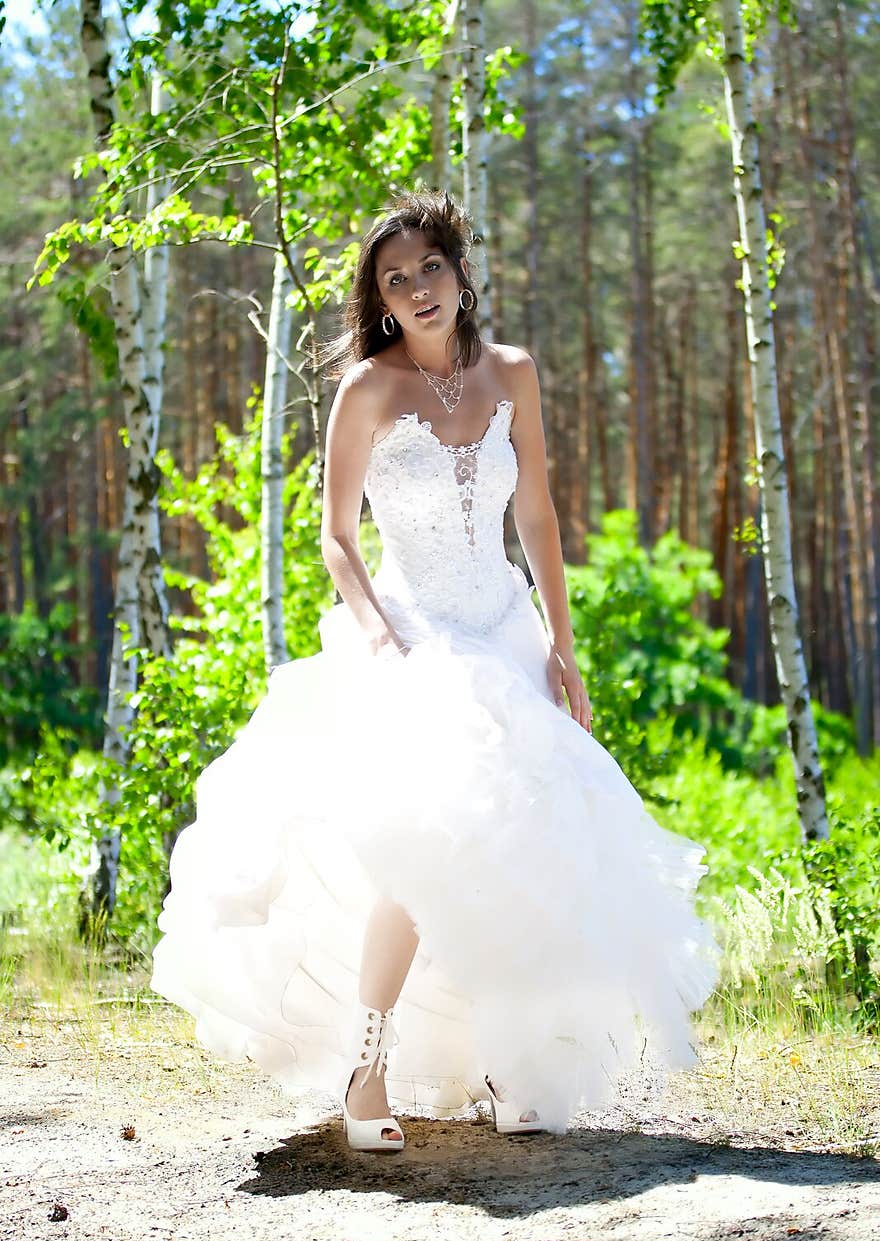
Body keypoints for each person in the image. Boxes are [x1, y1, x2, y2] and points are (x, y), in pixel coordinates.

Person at [151, 188, 718, 1152]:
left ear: (461, 273)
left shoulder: (513, 374)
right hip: (412, 642)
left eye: (430, 269)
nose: (416, 288)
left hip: (504, 630)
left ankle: (508, 1061)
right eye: (394, 278)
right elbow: (335, 539)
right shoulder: (367, 390)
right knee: (416, 853)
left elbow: (535, 515)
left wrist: (562, 649)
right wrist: (377, 635)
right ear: (379, 298)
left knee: (526, 846)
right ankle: (366, 1072)